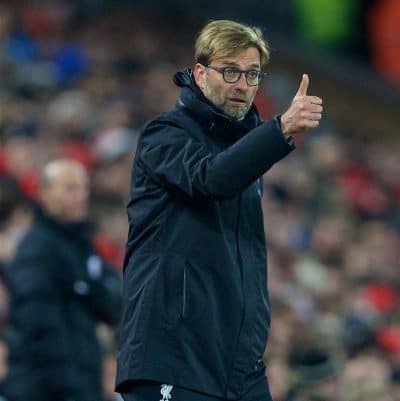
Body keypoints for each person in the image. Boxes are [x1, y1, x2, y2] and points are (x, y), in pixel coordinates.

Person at [116, 19, 323, 401]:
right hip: (172, 355)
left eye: (252, 74)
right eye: (230, 71)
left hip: (236, 366)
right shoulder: (165, 134)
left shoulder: (245, 154)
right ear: (200, 72)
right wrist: (279, 130)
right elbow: (211, 179)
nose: (242, 86)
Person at [3, 159, 122, 401]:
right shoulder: (37, 249)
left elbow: (112, 306)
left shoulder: (81, 244)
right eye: (69, 188)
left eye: (83, 188)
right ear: (44, 193)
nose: (80, 196)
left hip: (81, 380)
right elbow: (39, 327)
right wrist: (71, 389)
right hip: (48, 388)